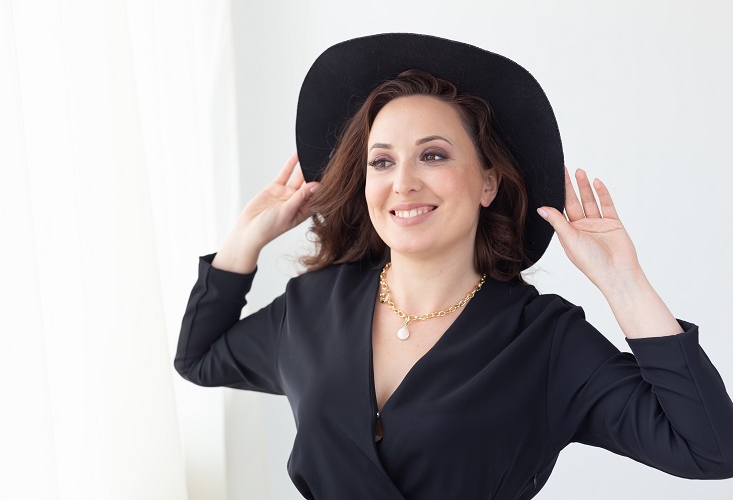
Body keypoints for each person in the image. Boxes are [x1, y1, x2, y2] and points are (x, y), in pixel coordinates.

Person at [174, 34, 733, 499]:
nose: (404, 182)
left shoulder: (544, 341)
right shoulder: (314, 305)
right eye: (382, 160)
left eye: (434, 155)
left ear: (488, 182)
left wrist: (623, 283)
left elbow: (710, 448)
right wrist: (243, 242)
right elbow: (198, 358)